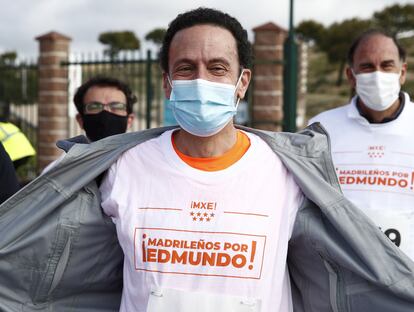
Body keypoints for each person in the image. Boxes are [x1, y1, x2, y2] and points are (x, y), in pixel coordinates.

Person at [1, 9, 414, 312]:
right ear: (166, 83)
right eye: (185, 68)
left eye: (217, 68)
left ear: (242, 82)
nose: (201, 80)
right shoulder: (121, 168)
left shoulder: (289, 172)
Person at [309, 29, 414, 259]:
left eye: (387, 65)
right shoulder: (321, 128)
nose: (378, 75)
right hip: (345, 272)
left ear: (402, 72)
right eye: (367, 67)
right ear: (351, 75)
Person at [42, 76, 136, 173]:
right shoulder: (57, 172)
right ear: (80, 120)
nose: (105, 112)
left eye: (116, 106)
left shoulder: (145, 165)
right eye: (94, 106)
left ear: (130, 120)